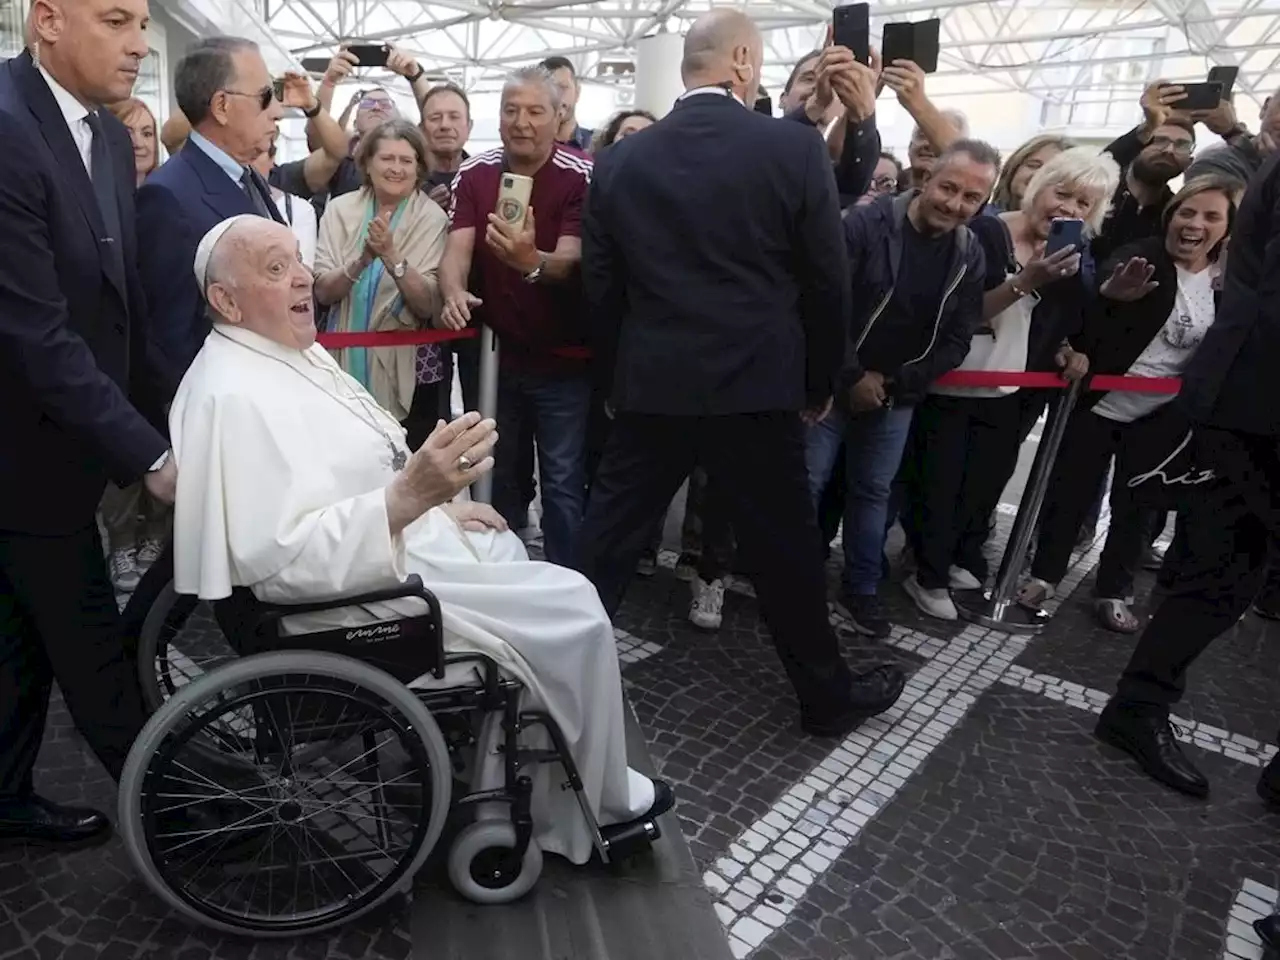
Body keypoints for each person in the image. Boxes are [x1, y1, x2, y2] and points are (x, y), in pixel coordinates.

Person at [171, 214, 674, 865]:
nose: (302, 277)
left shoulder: (282, 350)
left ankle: (497, 764)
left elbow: (362, 454)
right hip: (348, 599)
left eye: (298, 259)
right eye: (275, 269)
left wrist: (439, 504)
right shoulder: (232, 395)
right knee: (574, 609)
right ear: (225, 300)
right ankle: (577, 806)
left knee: (506, 547)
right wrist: (411, 499)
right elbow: (283, 563)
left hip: (384, 550)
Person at [577, 8, 906, 737]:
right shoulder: (789, 149)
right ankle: (825, 695)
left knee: (604, 545)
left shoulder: (621, 160)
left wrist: (613, 381)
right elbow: (826, 280)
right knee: (786, 554)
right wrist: (823, 378)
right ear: (745, 61)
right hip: (757, 386)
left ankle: (541, 677)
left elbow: (601, 287)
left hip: (654, 385)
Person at [0, 0, 177, 844]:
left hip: (68, 440)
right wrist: (149, 454)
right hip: (18, 445)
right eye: (115, 20)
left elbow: (121, 305)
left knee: (19, 638)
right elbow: (35, 330)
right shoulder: (3, 127)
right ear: (47, 22)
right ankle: (186, 819)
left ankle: (5, 795)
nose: (140, 43)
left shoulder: (107, 136)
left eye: (143, 23)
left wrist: (176, 418)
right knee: (90, 645)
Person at [1094, 153, 1280, 801]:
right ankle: (1139, 705)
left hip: (1242, 406)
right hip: (1254, 410)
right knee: (1221, 574)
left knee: (1225, 574)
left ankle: (1139, 704)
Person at [136, 36, 287, 374]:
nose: (278, 110)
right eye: (266, 96)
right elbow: (168, 343)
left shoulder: (247, 177)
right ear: (221, 106)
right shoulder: (168, 197)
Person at [314, 119, 448, 436]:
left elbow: (428, 305)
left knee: (406, 468)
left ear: (419, 168)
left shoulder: (433, 218)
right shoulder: (339, 210)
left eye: (406, 160)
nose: (396, 169)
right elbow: (321, 292)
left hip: (411, 371)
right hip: (338, 362)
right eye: (387, 158)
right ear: (368, 163)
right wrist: (361, 262)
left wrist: (391, 256)